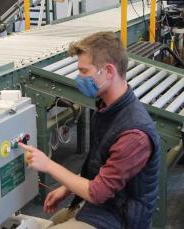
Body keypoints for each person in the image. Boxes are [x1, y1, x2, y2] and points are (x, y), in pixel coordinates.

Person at [19, 31, 161, 229]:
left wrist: (49, 165)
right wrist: (67, 188)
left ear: (109, 71)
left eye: (84, 71)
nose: (79, 78)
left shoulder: (134, 134)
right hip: (103, 206)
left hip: (120, 218)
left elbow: (98, 192)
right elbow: (98, 168)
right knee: (51, 222)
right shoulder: (105, 109)